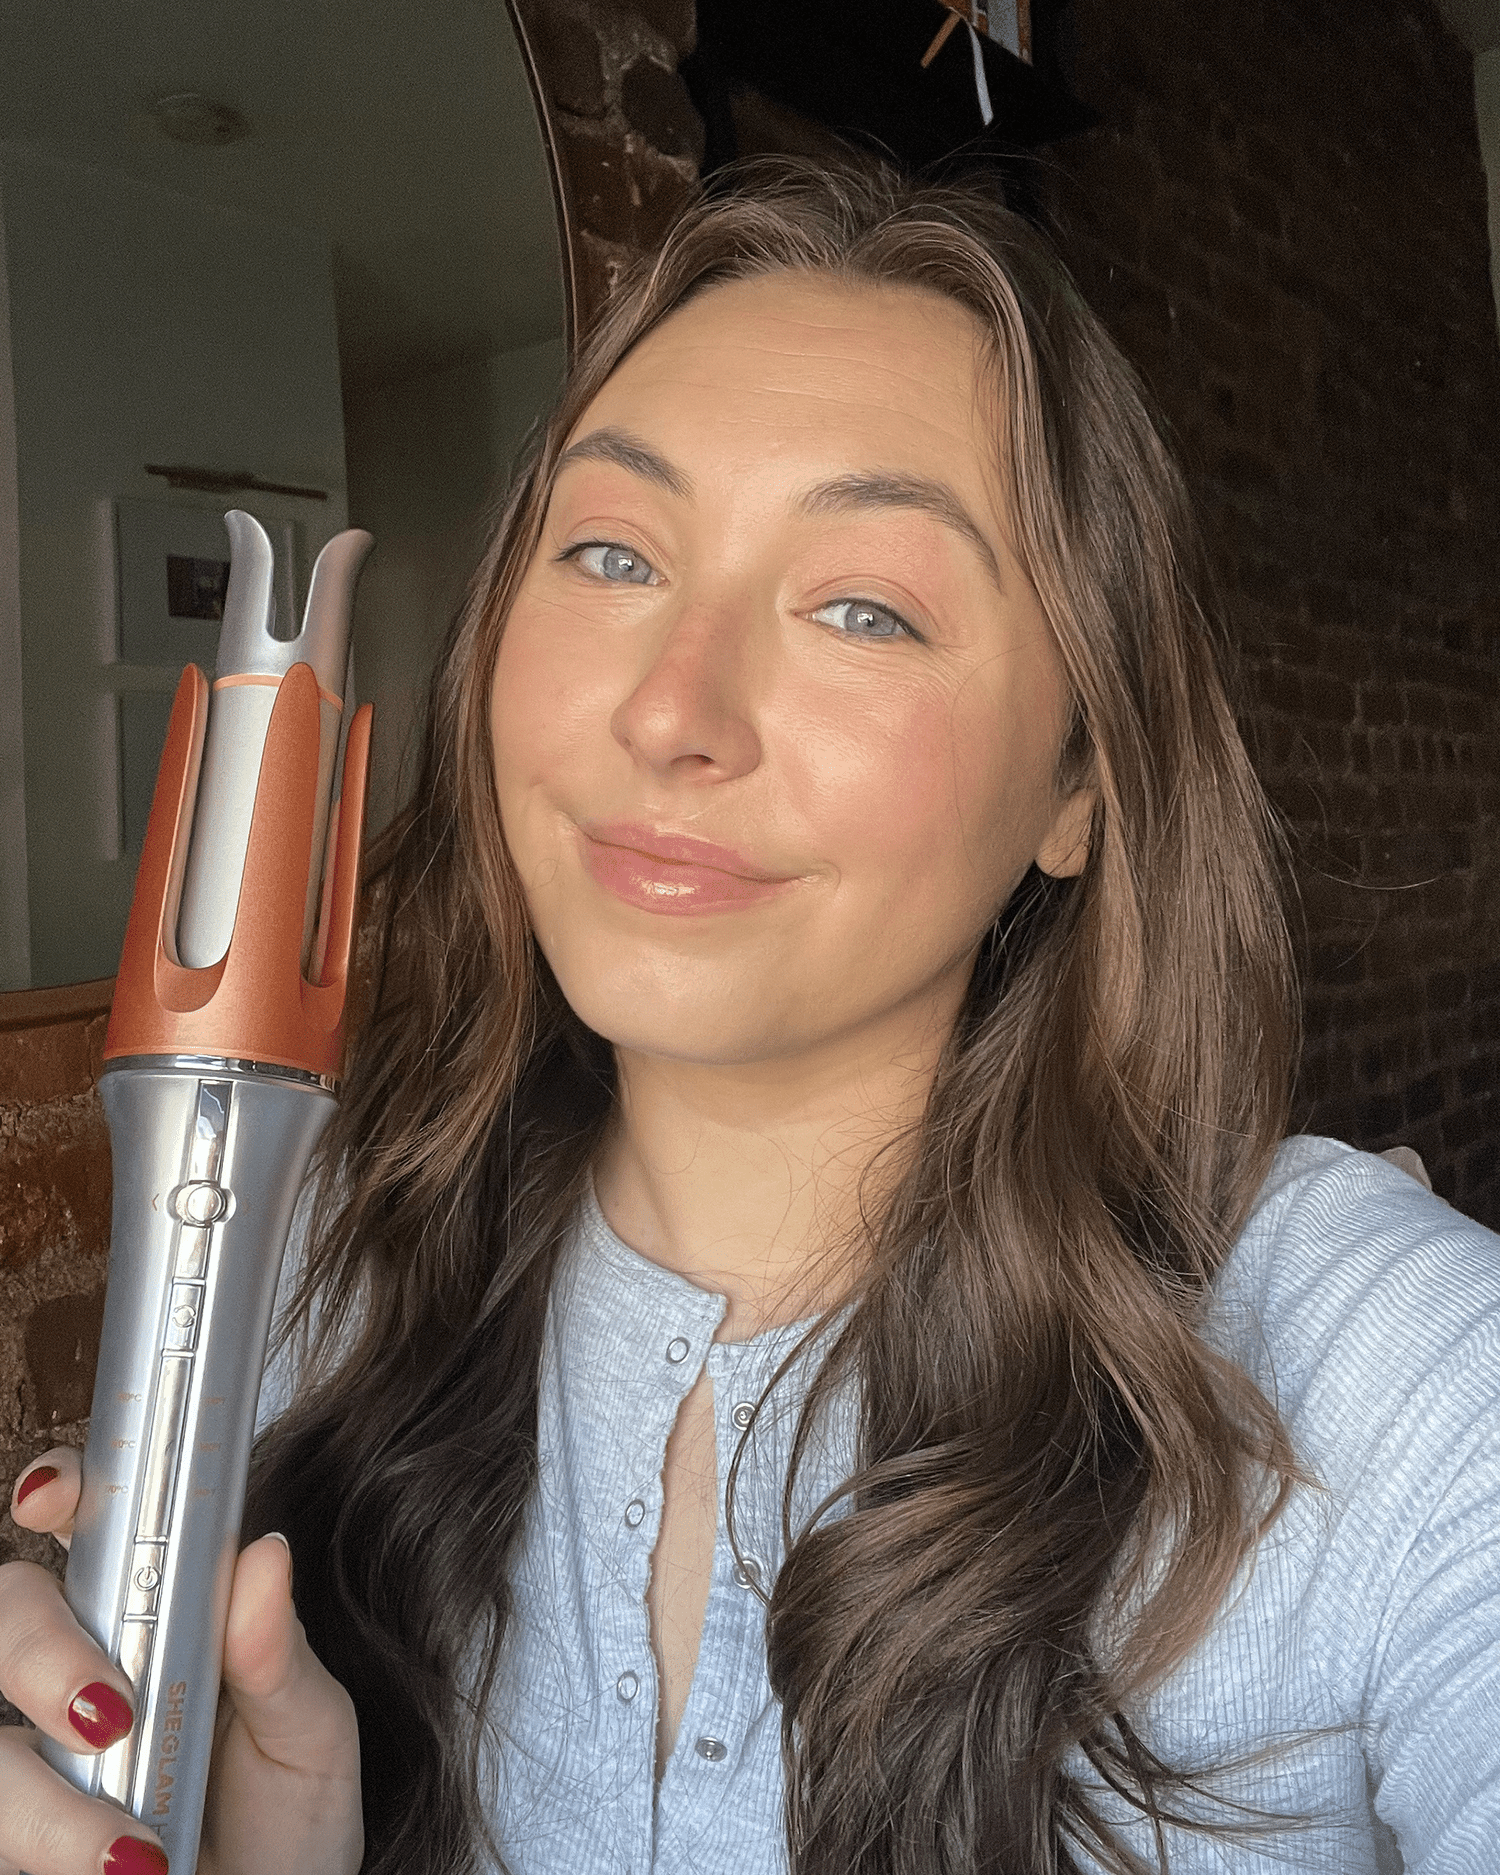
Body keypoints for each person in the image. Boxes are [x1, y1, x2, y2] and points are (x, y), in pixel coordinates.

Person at [3, 159, 1498, 1875]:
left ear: (1081, 780)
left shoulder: (1395, 1388)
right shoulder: (315, 1278)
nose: (671, 709)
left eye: (862, 604)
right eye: (614, 551)